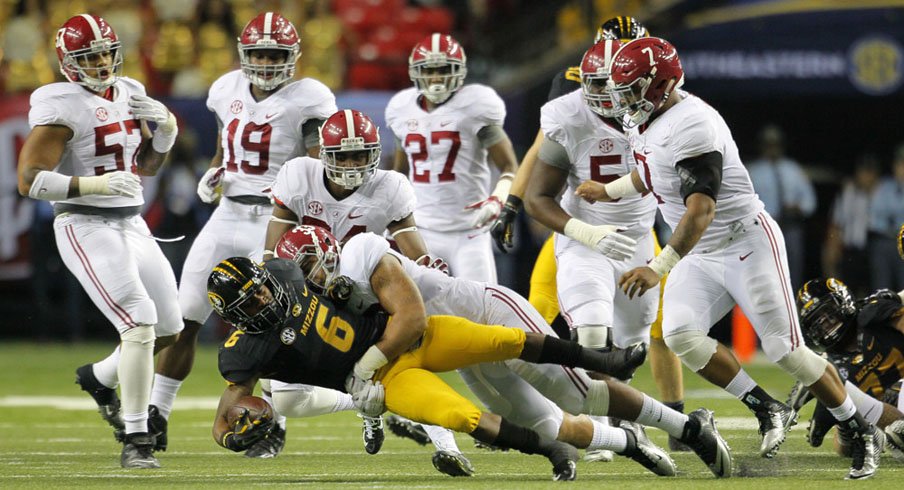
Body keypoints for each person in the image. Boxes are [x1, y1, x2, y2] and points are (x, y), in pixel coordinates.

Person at [575, 36, 885, 479]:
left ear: (659, 85)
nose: (621, 100)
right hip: (700, 250)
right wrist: (607, 190)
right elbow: (650, 173)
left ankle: (859, 427)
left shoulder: (693, 124)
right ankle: (766, 407)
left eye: (630, 90)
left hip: (745, 243)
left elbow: (701, 209)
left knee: (786, 350)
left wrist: (657, 267)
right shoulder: (646, 118)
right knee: (681, 334)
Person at [206, 256, 729, 481]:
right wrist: (233, 434)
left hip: (430, 325)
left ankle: (618, 370)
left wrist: (363, 366)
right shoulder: (244, 348)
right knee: (488, 419)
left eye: (320, 260)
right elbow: (226, 412)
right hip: (392, 366)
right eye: (247, 307)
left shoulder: (357, 248)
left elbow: (409, 315)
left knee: (547, 369)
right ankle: (596, 445)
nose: (318, 270)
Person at [491, 17, 688, 453]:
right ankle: (550, 417)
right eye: (597, 80)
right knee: (572, 323)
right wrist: (513, 203)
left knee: (643, 334)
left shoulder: (669, 108)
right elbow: (543, 168)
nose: (609, 89)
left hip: (637, 231)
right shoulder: (570, 107)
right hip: (580, 231)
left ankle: (652, 416)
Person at [151, 11, 338, 459]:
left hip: (274, 220)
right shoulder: (225, 89)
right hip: (227, 214)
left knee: (267, 327)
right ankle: (153, 418)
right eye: (260, 53)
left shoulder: (308, 97)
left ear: (292, 56)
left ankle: (271, 423)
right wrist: (215, 170)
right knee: (183, 317)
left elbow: (319, 167)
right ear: (244, 54)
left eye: (276, 53)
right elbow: (224, 144)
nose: (268, 62)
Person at [261, 108, 468, 469]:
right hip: (311, 290)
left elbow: (409, 240)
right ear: (323, 153)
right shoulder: (298, 175)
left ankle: (449, 447)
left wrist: (425, 263)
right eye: (343, 155)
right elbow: (272, 251)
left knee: (405, 360)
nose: (353, 164)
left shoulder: (390, 186)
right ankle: (365, 406)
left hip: (368, 291)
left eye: (361, 154)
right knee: (286, 398)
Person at [17, 14, 181, 469]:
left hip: (133, 223)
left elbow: (144, 166)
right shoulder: (60, 103)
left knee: (169, 328)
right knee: (141, 323)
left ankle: (98, 377)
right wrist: (92, 187)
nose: (102, 62)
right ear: (68, 62)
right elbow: (29, 180)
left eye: (107, 52)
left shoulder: (129, 91)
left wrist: (166, 135)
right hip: (85, 224)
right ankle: (136, 437)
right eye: (90, 56)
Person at [386, 33, 519, 283]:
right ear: (416, 72)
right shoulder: (401, 109)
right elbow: (399, 174)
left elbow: (509, 165)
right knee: (423, 310)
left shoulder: (475, 105)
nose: (436, 77)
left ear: (459, 70)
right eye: (429, 70)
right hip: (422, 230)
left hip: (470, 231)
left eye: (444, 69)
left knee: (482, 307)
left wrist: (497, 200)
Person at [789, 278, 904, 460]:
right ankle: (845, 396)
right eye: (818, 323)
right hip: (891, 402)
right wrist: (846, 425)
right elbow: (844, 450)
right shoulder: (838, 363)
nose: (826, 325)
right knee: (894, 432)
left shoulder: (871, 314)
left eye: (828, 315)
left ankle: (837, 389)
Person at [746, 124, 816, 289]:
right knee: (765, 274)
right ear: (761, 145)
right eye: (768, 144)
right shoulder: (753, 171)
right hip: (764, 230)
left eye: (775, 144)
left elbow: (810, 201)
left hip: (791, 227)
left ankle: (793, 311)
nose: (772, 148)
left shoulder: (793, 169)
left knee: (793, 274)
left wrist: (798, 207)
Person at [823, 154, 880, 297]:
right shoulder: (848, 194)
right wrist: (832, 248)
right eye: (863, 172)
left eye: (870, 172)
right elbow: (836, 223)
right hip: (851, 251)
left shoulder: (882, 194)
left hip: (873, 250)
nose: (866, 176)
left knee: (873, 293)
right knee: (849, 293)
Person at [867, 146, 904, 291]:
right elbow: (874, 217)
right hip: (884, 241)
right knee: (881, 287)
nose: (900, 168)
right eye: (899, 164)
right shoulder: (884, 187)